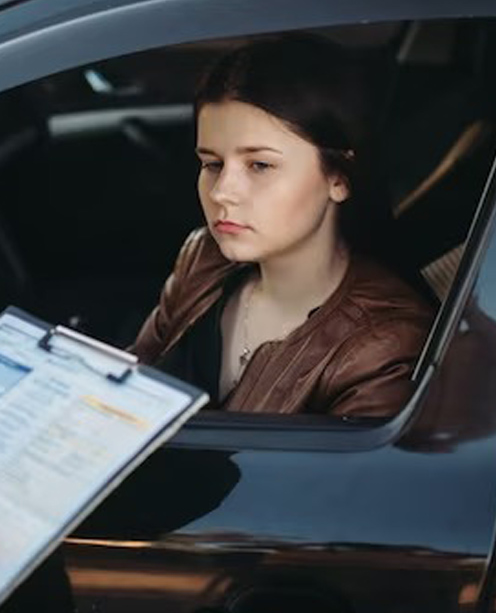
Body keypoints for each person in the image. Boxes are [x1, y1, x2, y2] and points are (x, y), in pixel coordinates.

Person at [132, 36, 435, 416]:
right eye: (212, 164)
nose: (223, 192)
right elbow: (128, 387)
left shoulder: (383, 346)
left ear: (338, 178)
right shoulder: (203, 257)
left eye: (260, 165)